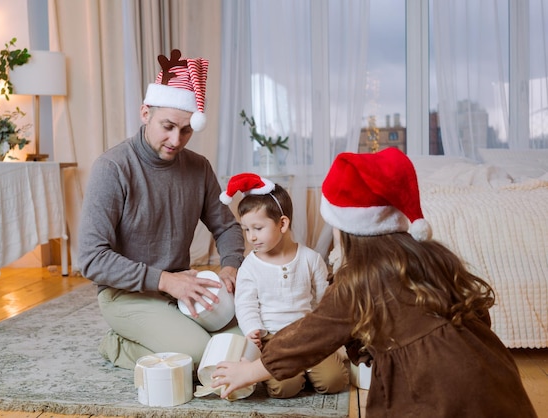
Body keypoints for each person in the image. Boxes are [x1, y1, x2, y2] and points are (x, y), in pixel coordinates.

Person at [211, 148, 537, 417]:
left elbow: (312, 334)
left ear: (349, 231)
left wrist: (249, 372)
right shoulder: (432, 255)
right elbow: (478, 313)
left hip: (439, 395)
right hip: (498, 380)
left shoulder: (357, 282)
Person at [78, 49, 245, 370]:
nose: (176, 139)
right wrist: (166, 281)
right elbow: (91, 259)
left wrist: (230, 266)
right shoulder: (112, 168)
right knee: (200, 357)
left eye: (186, 130)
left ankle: (170, 332)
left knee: (242, 340)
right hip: (125, 294)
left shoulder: (199, 167)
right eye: (167, 126)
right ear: (145, 113)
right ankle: (119, 345)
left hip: (180, 287)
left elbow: (226, 227)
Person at [219, 172, 349, 398]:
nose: (251, 237)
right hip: (273, 338)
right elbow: (246, 303)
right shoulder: (250, 266)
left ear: (282, 223)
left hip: (308, 334)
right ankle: (294, 375)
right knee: (282, 389)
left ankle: (308, 369)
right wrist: (252, 329)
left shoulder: (310, 259)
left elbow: (322, 300)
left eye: (257, 228)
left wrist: (325, 336)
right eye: (246, 229)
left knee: (334, 382)